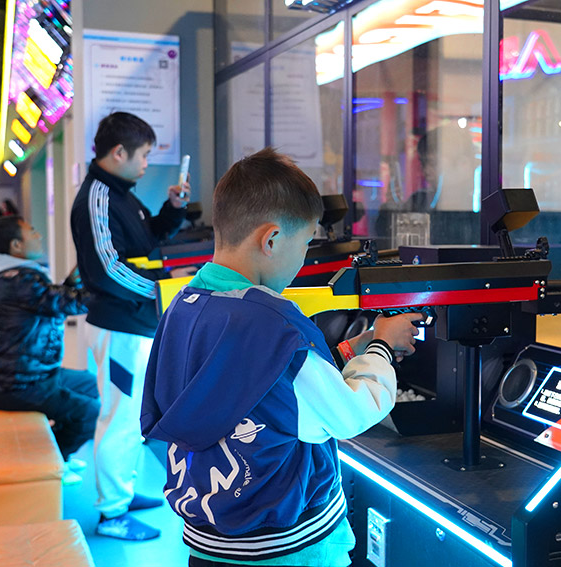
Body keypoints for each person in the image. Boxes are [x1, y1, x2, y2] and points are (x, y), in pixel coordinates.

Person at [141, 147, 422, 567]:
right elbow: (350, 415)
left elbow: (238, 386)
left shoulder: (183, 306)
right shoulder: (277, 324)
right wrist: (382, 346)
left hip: (209, 542)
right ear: (271, 239)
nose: (305, 257)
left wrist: (348, 351)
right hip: (286, 548)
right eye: (305, 243)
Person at [70, 111, 190, 540]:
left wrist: (173, 210)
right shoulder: (97, 197)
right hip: (118, 326)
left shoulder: (122, 195)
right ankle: (112, 514)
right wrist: (163, 289)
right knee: (119, 418)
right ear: (119, 152)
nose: (146, 164)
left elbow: (146, 241)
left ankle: (122, 490)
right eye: (143, 155)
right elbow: (108, 269)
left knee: (130, 416)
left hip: (134, 324)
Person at [0, 216, 100, 485]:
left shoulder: (17, 275)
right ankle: (52, 463)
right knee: (90, 412)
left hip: (27, 375)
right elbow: (69, 303)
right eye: (32, 231)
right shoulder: (19, 280)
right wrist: (112, 290)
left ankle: (52, 455)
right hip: (14, 385)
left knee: (91, 384)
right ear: (16, 245)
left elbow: (53, 299)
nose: (39, 236)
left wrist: (76, 277)